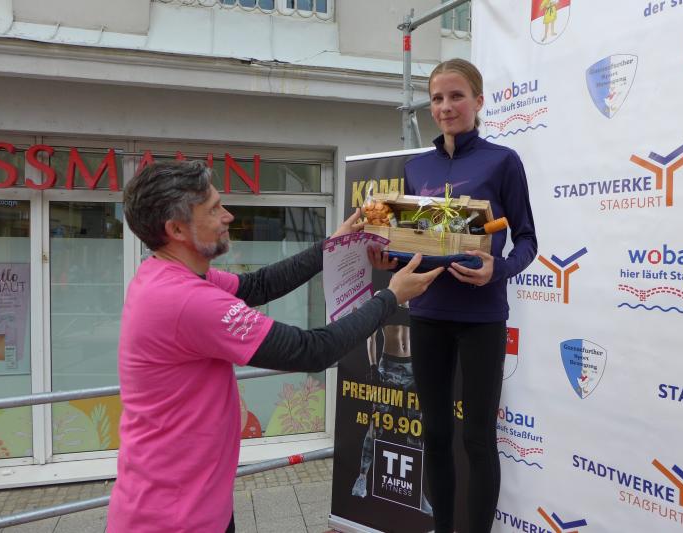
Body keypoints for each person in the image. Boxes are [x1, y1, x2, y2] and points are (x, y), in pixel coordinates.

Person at [106, 160, 443, 533]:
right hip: (171, 520)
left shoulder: (170, 276)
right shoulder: (185, 300)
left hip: (196, 505)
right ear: (176, 229)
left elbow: (259, 285)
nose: (228, 216)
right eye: (214, 209)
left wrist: (330, 248)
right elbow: (311, 350)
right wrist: (390, 298)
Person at [402, 59, 537, 533]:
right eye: (437, 98)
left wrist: (499, 269)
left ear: (478, 101)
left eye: (456, 96)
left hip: (482, 317)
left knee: (478, 439)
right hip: (427, 314)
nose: (446, 106)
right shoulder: (415, 167)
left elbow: (527, 240)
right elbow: (410, 244)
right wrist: (389, 258)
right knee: (436, 435)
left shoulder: (503, 161)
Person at [350, 306, 432, 515]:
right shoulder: (386, 296)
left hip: (413, 368)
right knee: (376, 424)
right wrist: (372, 366)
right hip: (389, 367)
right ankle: (362, 478)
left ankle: (417, 491)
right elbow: (371, 335)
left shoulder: (418, 299)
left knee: (415, 431)